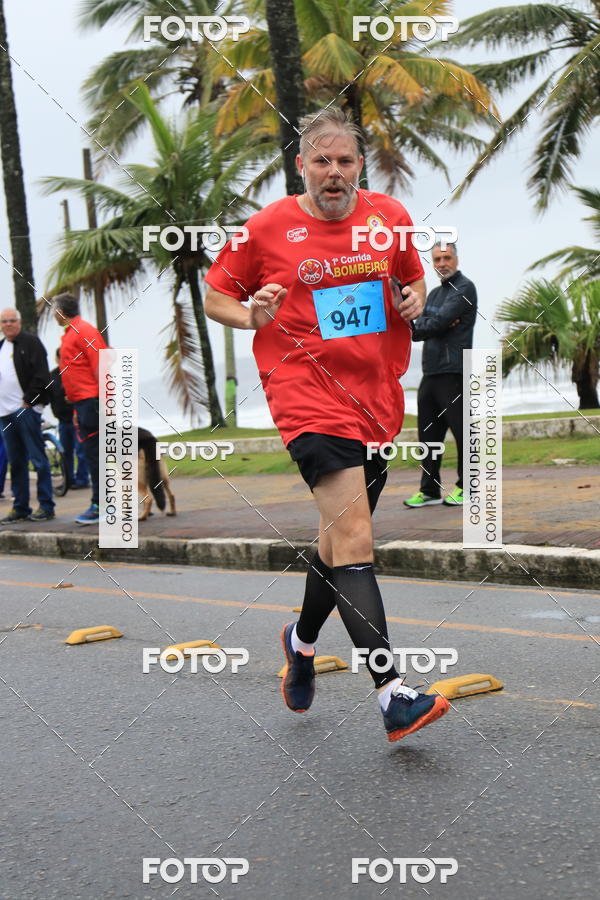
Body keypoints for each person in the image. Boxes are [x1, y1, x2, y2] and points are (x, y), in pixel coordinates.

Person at [204, 107, 450, 742]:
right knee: (357, 540)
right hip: (305, 395)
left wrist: (414, 297)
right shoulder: (266, 228)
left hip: (374, 398)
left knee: (337, 541)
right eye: (322, 161)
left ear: (359, 166)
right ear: (302, 166)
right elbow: (215, 296)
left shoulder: (388, 218)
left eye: (344, 161)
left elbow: (411, 278)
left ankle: (301, 640)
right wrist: (252, 317)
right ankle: (393, 694)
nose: (333, 172)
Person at [404, 243, 478, 508]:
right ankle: (429, 491)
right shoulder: (435, 293)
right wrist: (431, 325)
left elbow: (432, 323)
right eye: (437, 259)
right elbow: (420, 328)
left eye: (446, 258)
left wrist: (431, 324)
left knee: (462, 432)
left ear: (456, 259)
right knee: (428, 436)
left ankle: (469, 488)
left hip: (454, 370)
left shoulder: (465, 288)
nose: (442, 263)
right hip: (431, 372)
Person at [53, 294, 107, 525]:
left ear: (60, 312)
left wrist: (104, 401)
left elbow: (100, 364)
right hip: (82, 404)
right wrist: (76, 406)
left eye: (53, 310)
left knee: (96, 454)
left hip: (92, 402)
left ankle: (102, 506)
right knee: (92, 453)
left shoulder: (83, 331)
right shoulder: (71, 333)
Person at [0, 307, 55, 523]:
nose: (8, 324)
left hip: (26, 411)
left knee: (38, 459)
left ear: (19, 322)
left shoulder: (31, 343)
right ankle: (20, 507)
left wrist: (29, 402)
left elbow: (42, 376)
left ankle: (46, 506)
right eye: (4, 321)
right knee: (16, 462)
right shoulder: (1, 347)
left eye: (12, 320)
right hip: (4, 414)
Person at [48, 349, 90, 490]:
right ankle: (68, 480)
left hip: (76, 419)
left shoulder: (76, 372)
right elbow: (48, 394)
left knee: (80, 451)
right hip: (62, 420)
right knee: (65, 452)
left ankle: (82, 479)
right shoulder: (53, 375)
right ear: (56, 359)